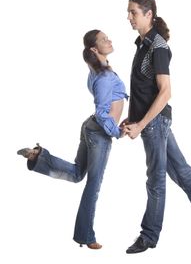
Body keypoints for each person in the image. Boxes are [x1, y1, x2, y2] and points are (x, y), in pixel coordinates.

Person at [122, 0, 191, 254]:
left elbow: (165, 92)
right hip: (152, 122)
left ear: (148, 14)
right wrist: (133, 118)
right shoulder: (143, 43)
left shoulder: (157, 47)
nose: (129, 17)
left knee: (156, 179)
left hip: (155, 123)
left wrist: (140, 125)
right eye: (128, 12)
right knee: (182, 172)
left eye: (133, 12)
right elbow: (144, 90)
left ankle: (148, 237)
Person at [17, 29, 128, 249]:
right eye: (104, 39)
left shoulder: (98, 70)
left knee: (78, 173)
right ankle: (86, 236)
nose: (110, 40)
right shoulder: (104, 75)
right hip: (100, 133)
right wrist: (116, 132)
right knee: (92, 185)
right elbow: (102, 112)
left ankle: (39, 157)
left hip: (91, 129)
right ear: (94, 49)